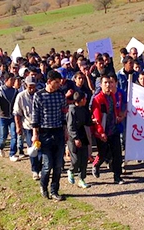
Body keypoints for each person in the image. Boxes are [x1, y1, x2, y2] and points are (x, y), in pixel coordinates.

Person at [32, 70, 67, 201]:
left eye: (59, 82)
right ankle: (43, 186)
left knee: (58, 165)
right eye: (56, 82)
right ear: (49, 81)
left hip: (58, 131)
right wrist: (35, 134)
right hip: (45, 133)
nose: (58, 85)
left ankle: (54, 190)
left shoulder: (60, 95)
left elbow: (63, 114)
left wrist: (65, 131)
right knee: (48, 164)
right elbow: (35, 117)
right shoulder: (39, 96)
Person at [91, 74, 125, 184]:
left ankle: (117, 176)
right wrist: (101, 132)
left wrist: (118, 117)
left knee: (117, 154)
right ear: (101, 85)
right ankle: (96, 165)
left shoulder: (113, 96)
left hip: (113, 129)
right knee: (103, 153)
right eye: (105, 83)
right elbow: (97, 117)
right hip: (102, 131)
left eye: (110, 82)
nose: (108, 85)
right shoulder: (97, 99)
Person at [13, 76, 41, 180]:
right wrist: (18, 127)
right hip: (28, 126)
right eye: (30, 87)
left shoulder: (40, 94)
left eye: (34, 86)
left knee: (41, 149)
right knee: (32, 150)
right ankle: (35, 170)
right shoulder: (20, 96)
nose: (32, 89)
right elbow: (17, 113)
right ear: (25, 86)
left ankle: (41, 168)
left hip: (41, 126)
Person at [66, 91, 92, 188]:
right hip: (73, 138)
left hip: (83, 135)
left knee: (84, 158)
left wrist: (92, 121)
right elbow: (70, 126)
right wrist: (76, 138)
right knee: (76, 159)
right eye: (85, 99)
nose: (86, 100)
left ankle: (81, 179)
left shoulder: (84, 109)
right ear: (81, 100)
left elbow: (87, 121)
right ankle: (71, 170)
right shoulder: (72, 110)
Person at [0, 73, 20, 161]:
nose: (13, 82)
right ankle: (0, 146)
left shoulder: (15, 91)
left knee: (14, 135)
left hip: (12, 116)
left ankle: (12, 153)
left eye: (13, 80)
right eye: (11, 80)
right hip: (2, 117)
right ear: (6, 80)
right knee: (3, 136)